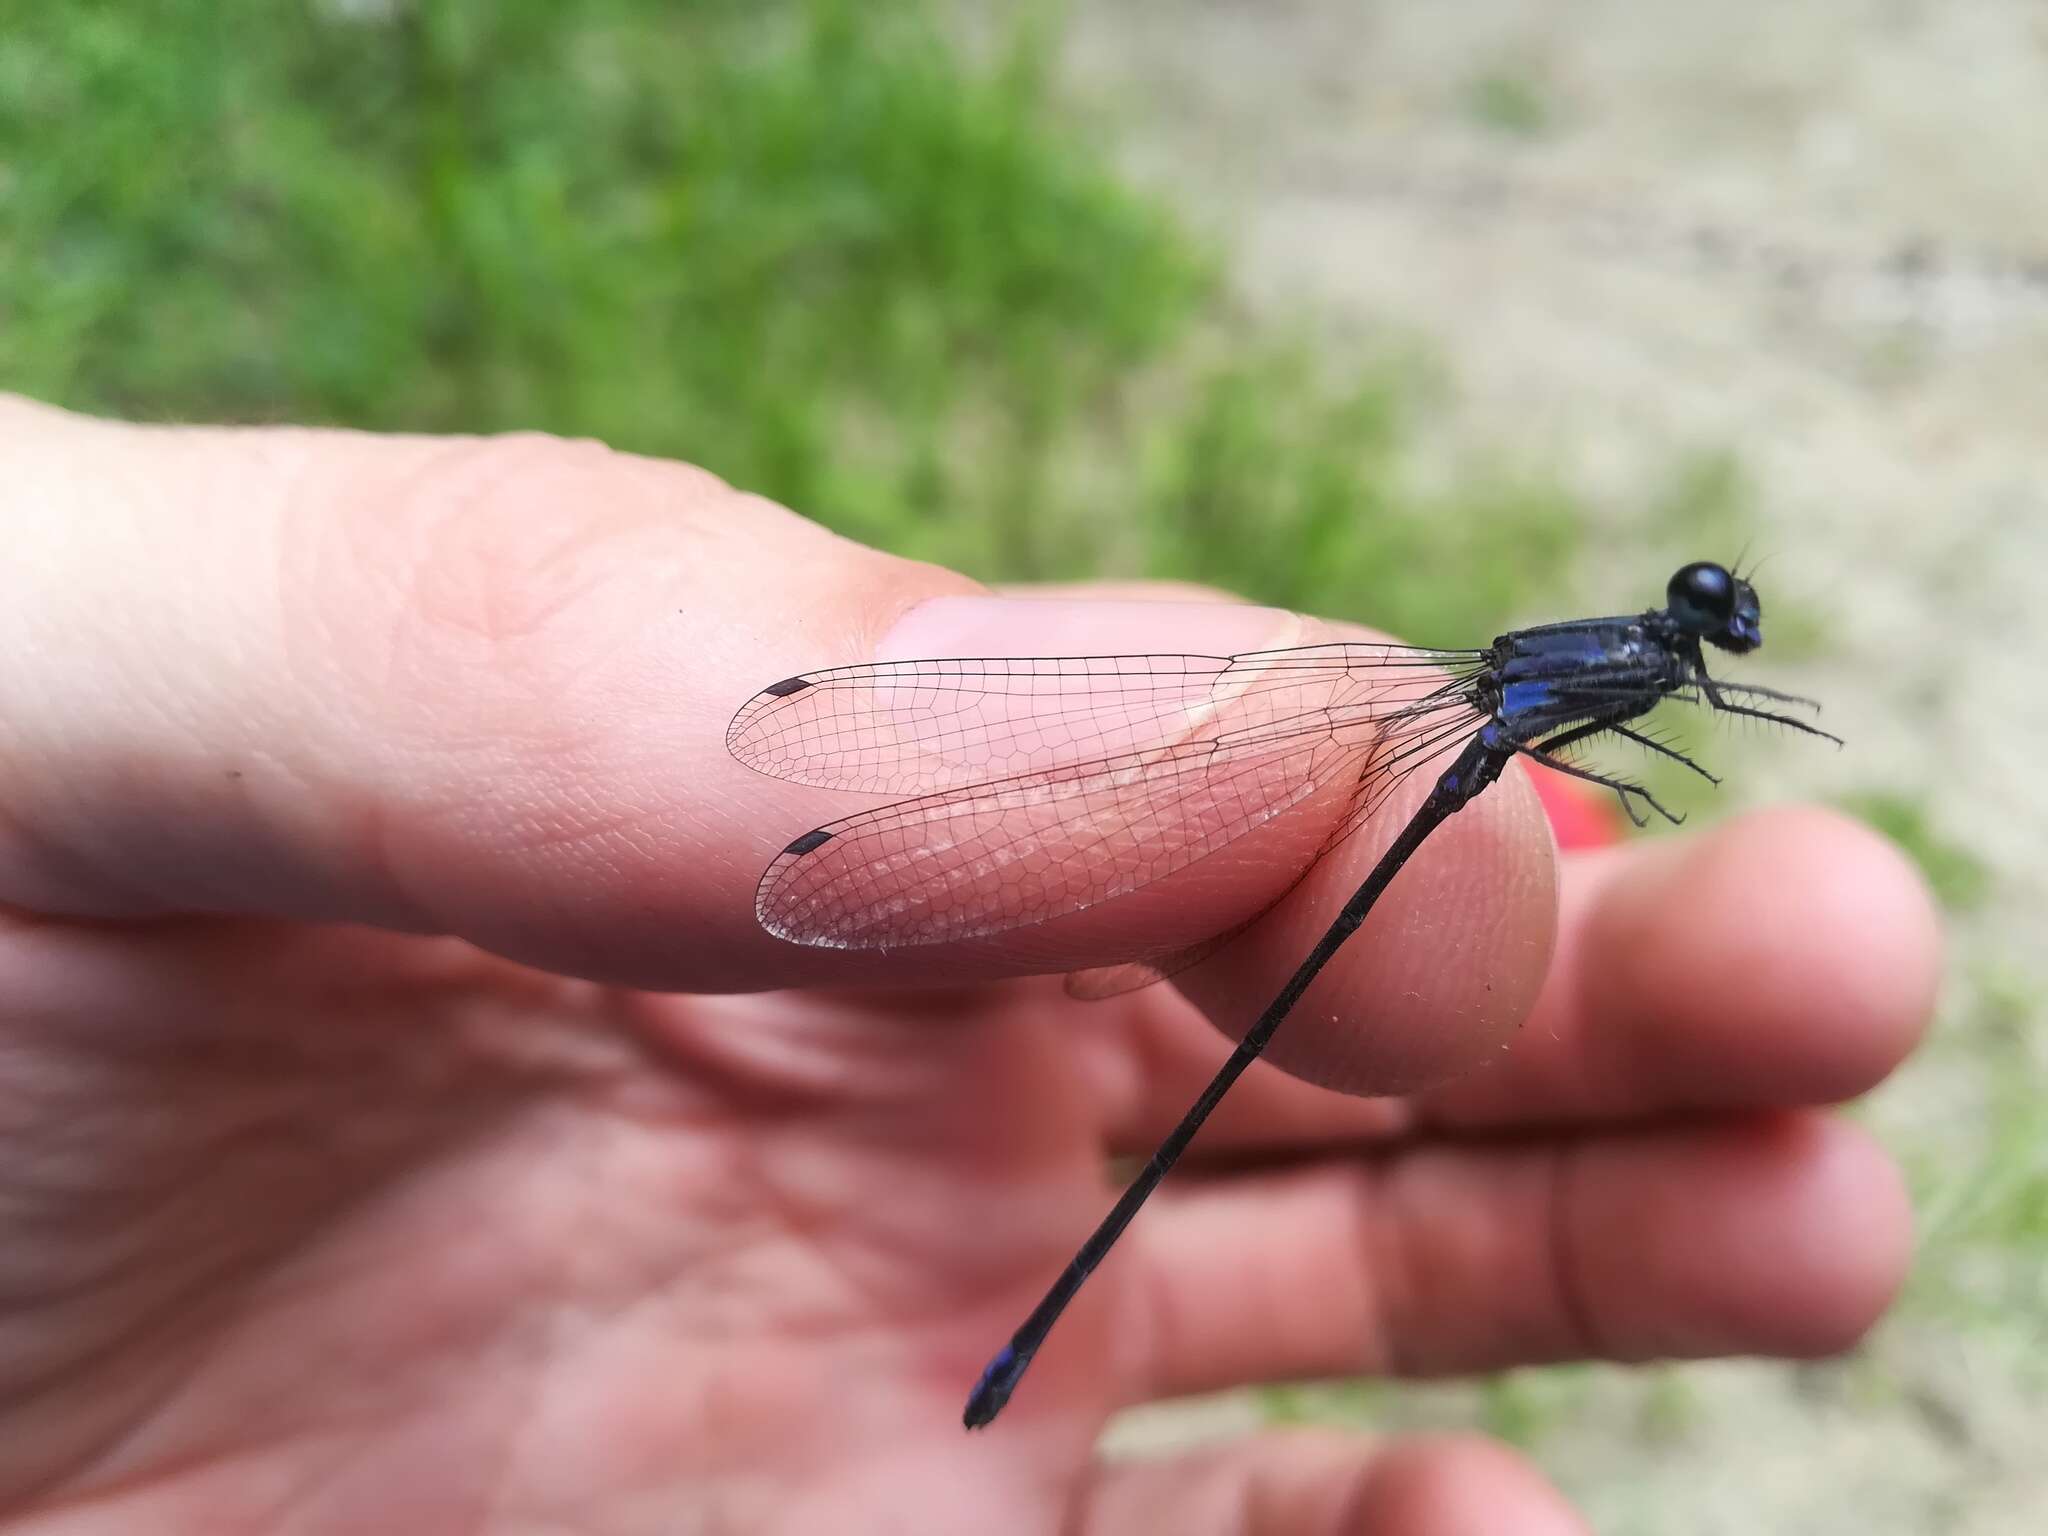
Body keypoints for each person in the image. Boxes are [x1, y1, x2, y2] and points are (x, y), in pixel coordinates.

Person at [0, 395, 1938, 1535]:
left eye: (1709, 620)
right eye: (1702, 612)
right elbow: (1583, 725)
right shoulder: (1585, 672)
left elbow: (1607, 727)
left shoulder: (1632, 670)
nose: (1705, 623)